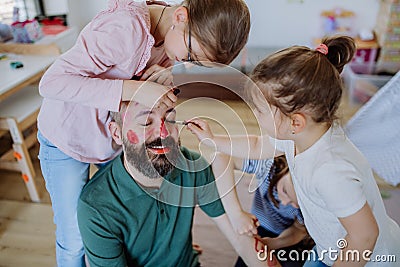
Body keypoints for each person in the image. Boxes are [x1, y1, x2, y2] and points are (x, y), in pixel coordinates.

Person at [36, 0, 251, 265]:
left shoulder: (170, 36)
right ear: (180, 16)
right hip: (66, 139)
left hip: (108, 140)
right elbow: (51, 83)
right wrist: (134, 89)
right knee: (74, 240)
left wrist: (162, 74)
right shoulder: (126, 29)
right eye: (190, 58)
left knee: (123, 205)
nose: (186, 66)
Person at [187, 35, 400, 266]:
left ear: (295, 122)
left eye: (259, 111)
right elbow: (257, 145)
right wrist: (213, 139)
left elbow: (364, 236)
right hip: (330, 245)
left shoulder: (330, 171)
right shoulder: (301, 135)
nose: (254, 116)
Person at [77, 96, 267, 267]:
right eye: (145, 122)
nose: (164, 133)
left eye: (170, 119)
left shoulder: (191, 166)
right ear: (117, 133)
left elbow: (240, 237)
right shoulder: (96, 207)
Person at [231, 156, 313, 267]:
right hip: (259, 227)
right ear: (286, 169)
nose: (284, 202)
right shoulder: (268, 167)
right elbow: (224, 159)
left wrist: (275, 242)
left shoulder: (310, 206)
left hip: (288, 238)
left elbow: (299, 229)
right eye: (284, 191)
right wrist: (236, 213)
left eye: (295, 203)